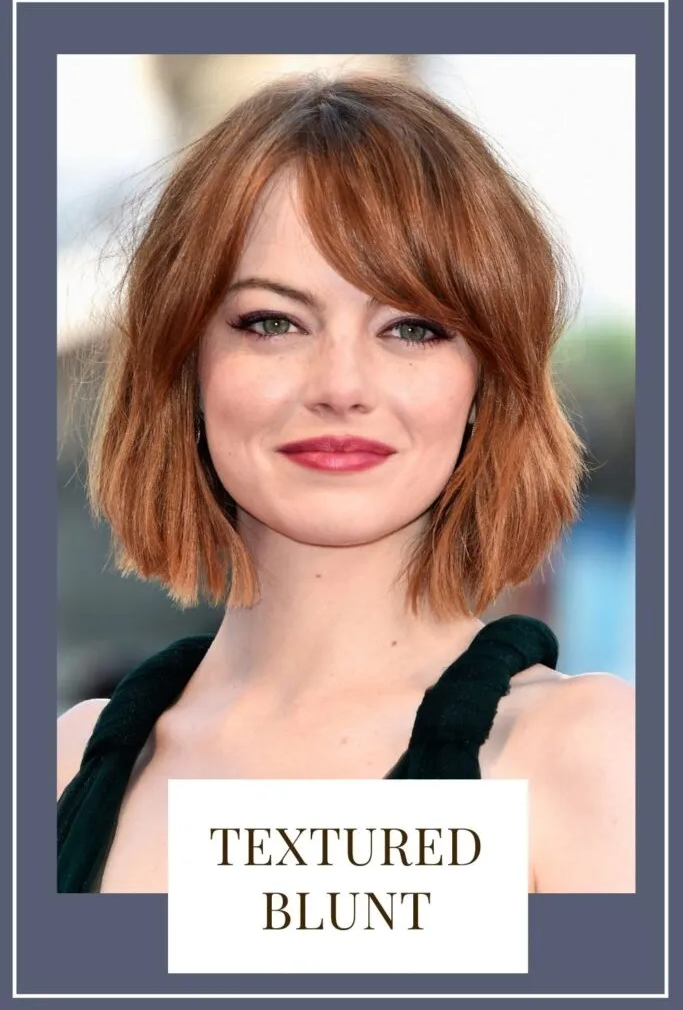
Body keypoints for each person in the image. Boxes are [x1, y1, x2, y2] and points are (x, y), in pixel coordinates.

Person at [57, 71, 635, 895]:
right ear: (186, 367)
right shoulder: (65, 770)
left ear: (484, 383)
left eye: (411, 327)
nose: (340, 384)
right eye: (271, 322)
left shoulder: (591, 758)